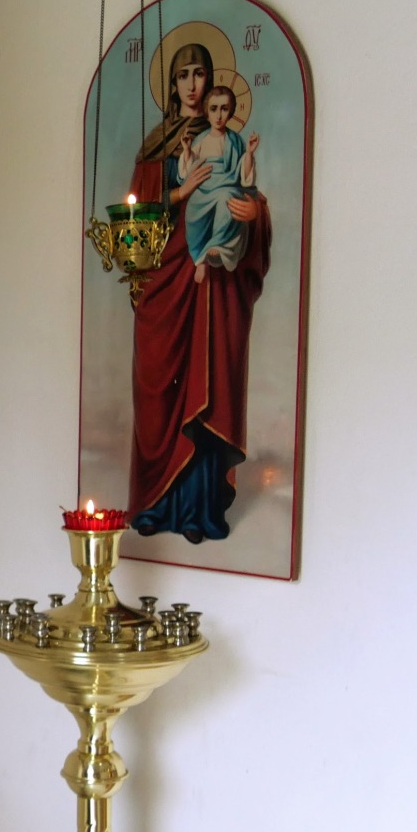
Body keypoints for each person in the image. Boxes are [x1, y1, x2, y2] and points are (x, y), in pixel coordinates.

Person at [124, 43, 272, 544]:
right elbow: (136, 215)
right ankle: (155, 502)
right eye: (183, 75)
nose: (192, 84)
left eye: (200, 74)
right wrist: (182, 193)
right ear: (171, 84)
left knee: (210, 377)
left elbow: (246, 193)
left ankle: (200, 511)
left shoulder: (228, 138)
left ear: (212, 84)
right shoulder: (156, 147)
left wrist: (254, 213)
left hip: (214, 282)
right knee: (160, 384)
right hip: (166, 279)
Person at [176, 84, 260, 284]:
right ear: (207, 111)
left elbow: (243, 175)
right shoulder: (201, 139)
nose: (219, 115)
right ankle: (200, 259)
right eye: (214, 109)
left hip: (227, 186)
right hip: (203, 189)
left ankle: (216, 246)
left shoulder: (235, 141)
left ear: (230, 111)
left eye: (224, 108)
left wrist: (249, 153)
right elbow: (187, 171)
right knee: (192, 209)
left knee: (226, 199)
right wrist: (187, 150)